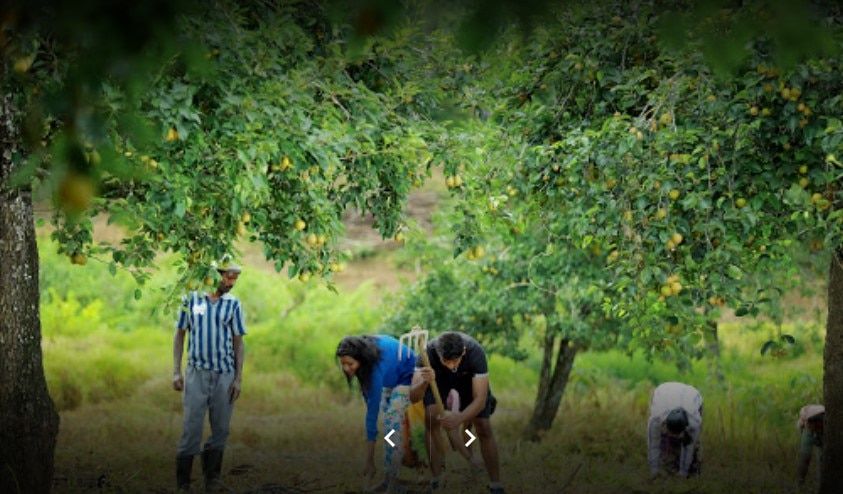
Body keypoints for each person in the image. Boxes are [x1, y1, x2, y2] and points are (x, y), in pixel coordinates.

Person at [172, 263, 247, 492]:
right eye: (228, 278)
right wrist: (176, 370)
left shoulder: (233, 304)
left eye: (234, 279)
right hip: (197, 373)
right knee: (191, 427)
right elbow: (179, 335)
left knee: (221, 428)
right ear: (215, 275)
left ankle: (212, 479)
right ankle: (183, 483)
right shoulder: (191, 299)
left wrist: (238, 378)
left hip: (225, 374)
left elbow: (238, 342)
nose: (231, 283)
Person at [409, 331, 504, 494]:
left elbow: (480, 399)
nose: (452, 365)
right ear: (439, 355)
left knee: (482, 425)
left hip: (468, 381)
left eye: (456, 361)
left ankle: (495, 484)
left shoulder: (476, 353)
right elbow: (414, 397)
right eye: (446, 361)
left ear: (464, 352)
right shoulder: (426, 356)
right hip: (437, 381)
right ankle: (437, 479)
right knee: (431, 419)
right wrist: (424, 382)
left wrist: (459, 418)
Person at [337, 335, 417, 493]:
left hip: (408, 375)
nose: (346, 368)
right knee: (388, 426)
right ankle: (389, 479)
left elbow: (371, 416)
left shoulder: (374, 368)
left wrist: (369, 460)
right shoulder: (364, 363)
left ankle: (393, 482)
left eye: (350, 364)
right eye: (343, 364)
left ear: (360, 359)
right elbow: (369, 403)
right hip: (391, 376)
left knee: (391, 424)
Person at [647, 382, 702, 479]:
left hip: (692, 394)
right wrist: (654, 472)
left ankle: (691, 467)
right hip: (663, 391)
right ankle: (668, 462)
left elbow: (689, 446)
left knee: (691, 443)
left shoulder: (694, 422)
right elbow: (654, 445)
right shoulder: (656, 419)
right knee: (663, 442)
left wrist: (683, 473)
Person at [796, 404, 824, 486]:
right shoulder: (807, 429)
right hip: (812, 423)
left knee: (820, 457)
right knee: (806, 457)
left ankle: (801, 482)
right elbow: (805, 458)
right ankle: (801, 482)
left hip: (820, 422)